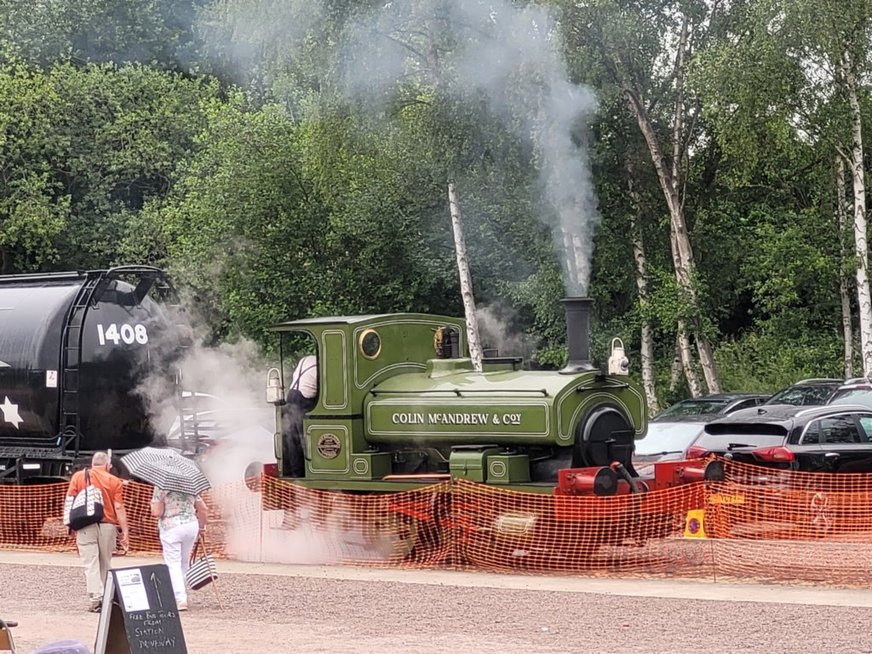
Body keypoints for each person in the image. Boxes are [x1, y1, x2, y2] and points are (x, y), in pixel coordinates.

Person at [65, 451, 129, 613]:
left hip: (85, 525)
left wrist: (69, 526)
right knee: (105, 562)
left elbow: (69, 502)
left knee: (90, 563)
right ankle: (107, 597)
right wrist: (125, 531)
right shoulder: (114, 481)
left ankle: (96, 599)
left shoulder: (78, 477)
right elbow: (119, 507)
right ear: (108, 465)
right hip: (107, 526)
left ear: (92, 463)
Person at [150, 488, 208, 611]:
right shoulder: (190, 485)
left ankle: (180, 598)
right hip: (191, 525)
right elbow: (203, 509)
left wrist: (156, 502)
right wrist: (202, 528)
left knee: (173, 563)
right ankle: (182, 592)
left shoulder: (161, 486)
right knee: (184, 562)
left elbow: (157, 512)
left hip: (171, 526)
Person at [282, 354, 318, 477]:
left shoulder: (306, 359)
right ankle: (303, 471)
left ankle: (294, 471)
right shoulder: (321, 365)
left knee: (291, 436)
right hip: (304, 399)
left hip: (291, 394)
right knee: (302, 437)